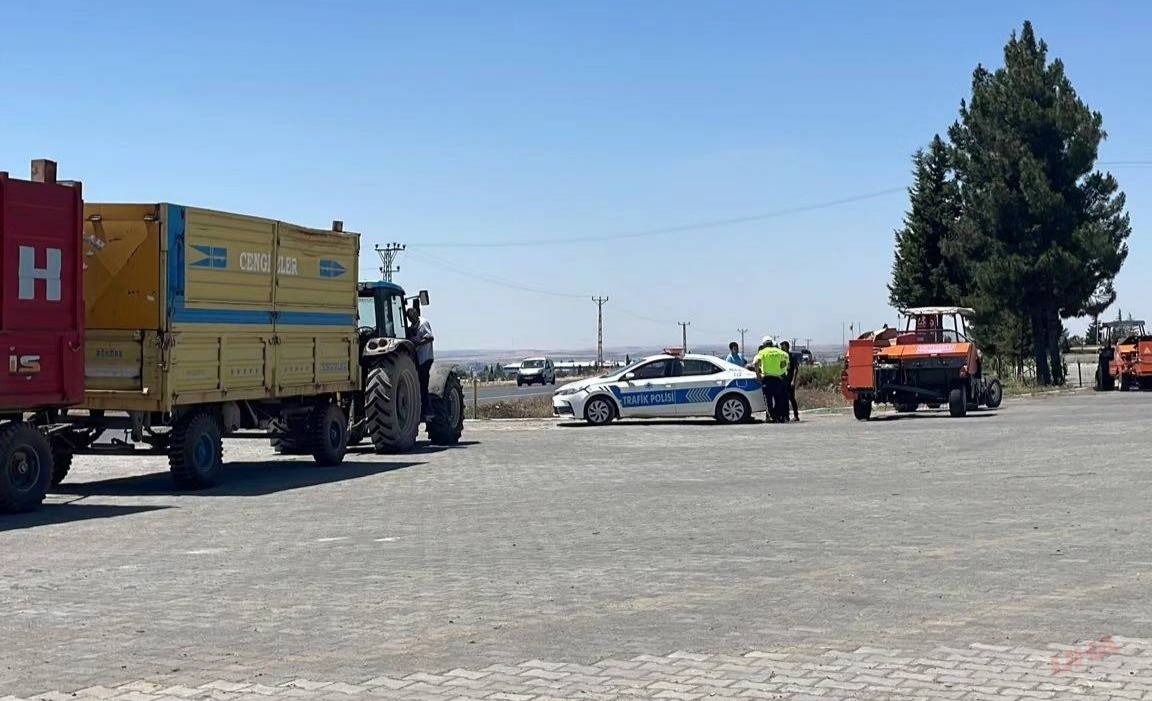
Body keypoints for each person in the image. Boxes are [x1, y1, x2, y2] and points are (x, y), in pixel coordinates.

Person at [406, 306, 435, 420]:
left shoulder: (423, 324)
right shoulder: (413, 326)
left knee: (423, 386)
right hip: (418, 359)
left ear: (416, 314)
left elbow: (430, 337)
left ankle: (428, 413)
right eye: (409, 318)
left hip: (425, 358)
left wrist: (418, 343)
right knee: (419, 385)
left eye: (412, 317)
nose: (411, 319)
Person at [753, 336, 790, 423]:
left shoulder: (762, 352)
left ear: (764, 344)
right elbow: (786, 362)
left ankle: (770, 417)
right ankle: (778, 416)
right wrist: (782, 371)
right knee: (778, 399)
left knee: (768, 399)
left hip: (767, 379)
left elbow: (755, 363)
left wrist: (758, 375)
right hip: (778, 379)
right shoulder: (780, 352)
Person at [779, 341, 802, 422]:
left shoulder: (792, 356)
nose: (782, 348)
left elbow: (796, 369)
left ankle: (796, 415)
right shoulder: (781, 357)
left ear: (787, 347)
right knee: (784, 399)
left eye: (783, 347)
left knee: (791, 398)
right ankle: (786, 416)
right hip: (783, 380)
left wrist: (793, 380)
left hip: (790, 379)